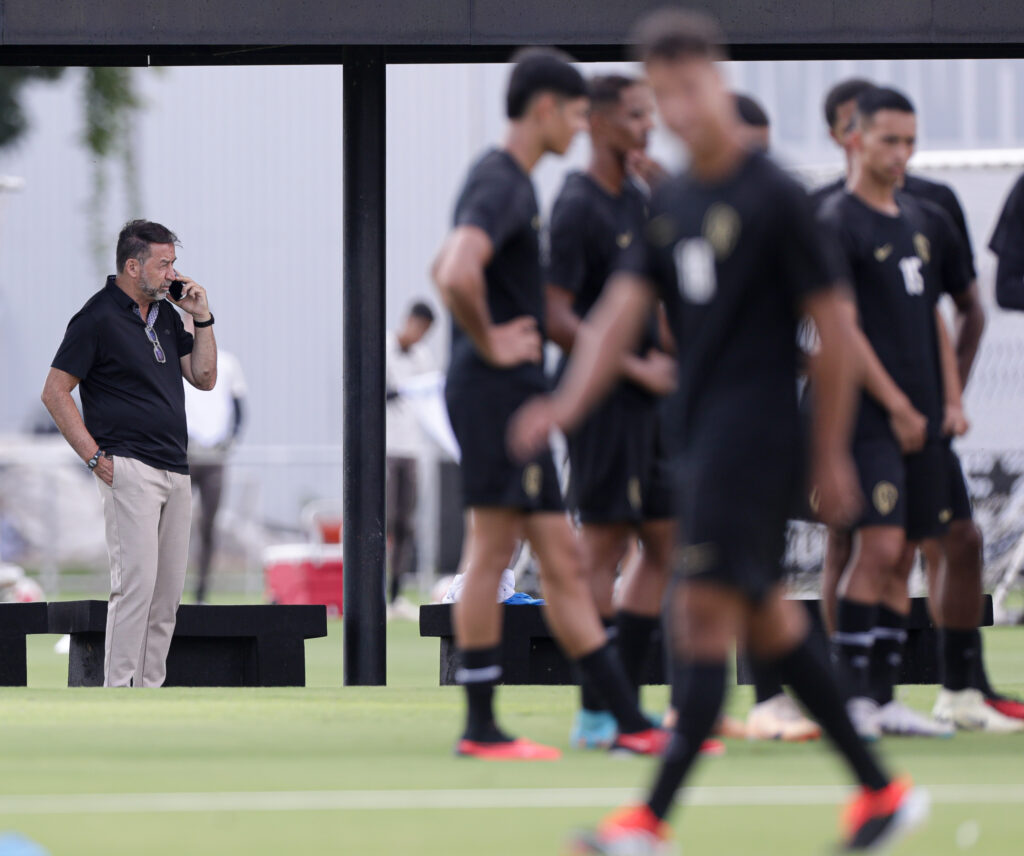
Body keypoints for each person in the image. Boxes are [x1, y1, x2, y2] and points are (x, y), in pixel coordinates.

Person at [510, 11, 926, 852]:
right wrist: (563, 404)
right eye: (663, 94)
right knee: (765, 620)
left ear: (720, 82)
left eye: (692, 88)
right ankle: (882, 792)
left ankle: (650, 821)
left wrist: (832, 447)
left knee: (700, 616)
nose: (679, 107)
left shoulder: (771, 193)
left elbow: (837, 329)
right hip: (696, 436)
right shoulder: (675, 201)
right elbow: (619, 313)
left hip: (758, 441)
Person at [431, 48, 668, 761]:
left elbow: (443, 264)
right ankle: (488, 727)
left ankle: (619, 719)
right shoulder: (505, 181)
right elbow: (452, 272)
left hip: (506, 391)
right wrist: (493, 341)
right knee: (500, 554)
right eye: (572, 112)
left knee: (554, 561)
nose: (578, 124)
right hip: (497, 393)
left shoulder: (512, 184)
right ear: (545, 109)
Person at [815, 80, 1021, 728]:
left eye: (910, 142)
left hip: (925, 422)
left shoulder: (925, 217)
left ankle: (914, 693)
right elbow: (839, 328)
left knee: (929, 545)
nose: (901, 153)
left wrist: (950, 397)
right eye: (888, 140)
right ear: (852, 139)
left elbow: (949, 311)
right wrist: (896, 403)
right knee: (870, 550)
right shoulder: (832, 220)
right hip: (865, 419)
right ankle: (851, 695)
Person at [546, 73, 687, 749]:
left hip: (652, 403)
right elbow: (555, 314)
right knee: (604, 542)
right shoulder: (577, 204)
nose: (647, 129)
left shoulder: (639, 198)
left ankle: (624, 700)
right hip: (603, 403)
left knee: (665, 541)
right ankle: (596, 713)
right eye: (635, 117)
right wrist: (631, 366)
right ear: (598, 123)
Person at [41, 220, 217, 687]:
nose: (172, 273)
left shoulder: (166, 315)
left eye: (173, 263)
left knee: (166, 598)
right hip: (129, 468)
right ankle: (119, 692)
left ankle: (150, 691)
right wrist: (96, 460)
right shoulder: (96, 317)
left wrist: (202, 317)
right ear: (133, 265)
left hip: (176, 470)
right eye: (164, 264)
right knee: (135, 588)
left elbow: (204, 378)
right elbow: (55, 392)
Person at [730, 90, 823, 743]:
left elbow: (823, 329)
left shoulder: (781, 214)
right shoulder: (678, 208)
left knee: (761, 568)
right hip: (693, 426)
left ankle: (771, 699)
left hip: (761, 425)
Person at [183, 316, 247, 605]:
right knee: (173, 523)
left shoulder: (228, 363)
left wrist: (230, 440)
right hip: (184, 453)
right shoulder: (177, 358)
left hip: (213, 457)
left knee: (209, 524)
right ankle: (166, 589)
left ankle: (201, 591)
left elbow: (239, 406)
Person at [385, 301, 436, 620]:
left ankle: (395, 594)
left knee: (406, 524)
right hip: (385, 449)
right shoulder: (383, 348)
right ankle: (370, 592)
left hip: (412, 450)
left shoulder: (424, 359)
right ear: (408, 322)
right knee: (384, 520)